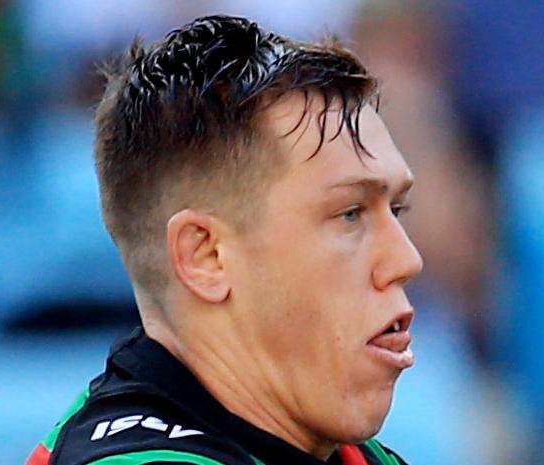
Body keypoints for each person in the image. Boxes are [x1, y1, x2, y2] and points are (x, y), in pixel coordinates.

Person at [26, 15, 422, 465]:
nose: (406, 260)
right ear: (206, 256)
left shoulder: (342, 449)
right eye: (349, 214)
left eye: (395, 209)